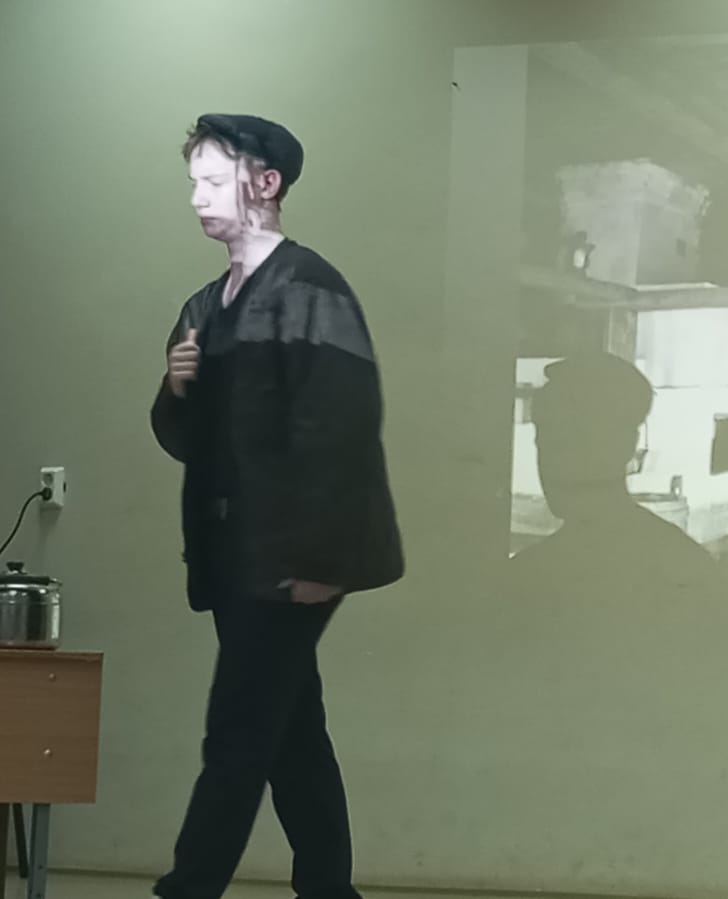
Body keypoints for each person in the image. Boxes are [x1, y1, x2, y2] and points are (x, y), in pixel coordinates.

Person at [149, 113, 403, 899]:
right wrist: (177, 387)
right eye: (193, 181)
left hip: (291, 556)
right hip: (235, 554)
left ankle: (187, 888)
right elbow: (186, 438)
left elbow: (343, 427)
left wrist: (318, 562)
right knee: (291, 730)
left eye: (214, 180)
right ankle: (329, 887)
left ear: (266, 183)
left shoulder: (308, 289)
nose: (198, 197)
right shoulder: (204, 305)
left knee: (237, 733)